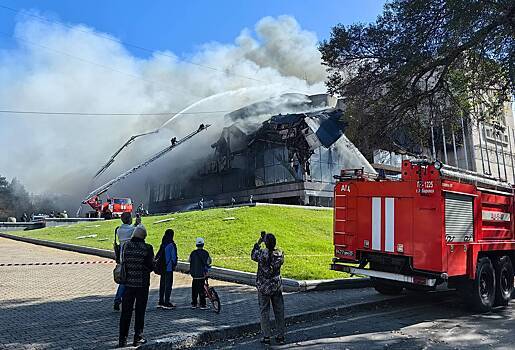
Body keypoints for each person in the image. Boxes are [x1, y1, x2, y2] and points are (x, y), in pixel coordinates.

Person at [118, 225, 154, 347]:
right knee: (140, 311)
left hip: (128, 284)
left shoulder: (126, 246)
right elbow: (150, 266)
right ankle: (137, 337)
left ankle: (122, 339)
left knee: (126, 312)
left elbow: (123, 261)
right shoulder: (147, 248)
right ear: (144, 236)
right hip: (142, 285)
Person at [251, 232, 285, 345]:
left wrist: (258, 242)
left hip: (263, 287)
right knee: (279, 311)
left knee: (264, 311)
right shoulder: (279, 254)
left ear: (265, 243)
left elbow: (253, 255)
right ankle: (280, 335)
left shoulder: (261, 254)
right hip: (276, 286)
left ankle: (266, 336)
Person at [114, 212, 141, 311]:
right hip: (129, 258)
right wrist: (138, 223)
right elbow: (138, 231)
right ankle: (125, 301)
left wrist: (135, 224)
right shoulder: (131, 230)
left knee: (123, 280)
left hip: (122, 257)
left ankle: (118, 299)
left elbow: (131, 229)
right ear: (129, 219)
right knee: (128, 282)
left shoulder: (119, 230)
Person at [188, 237, 211, 309]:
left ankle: (194, 304)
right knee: (201, 289)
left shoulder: (193, 253)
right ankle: (202, 304)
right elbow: (209, 262)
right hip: (202, 274)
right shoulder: (206, 253)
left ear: (196, 245)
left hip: (194, 275)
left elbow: (189, 260)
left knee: (194, 289)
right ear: (203, 244)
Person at [157, 229, 178, 309]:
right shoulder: (171, 244)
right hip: (168, 267)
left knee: (162, 284)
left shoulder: (163, 244)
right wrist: (174, 264)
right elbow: (173, 257)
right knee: (168, 285)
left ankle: (161, 301)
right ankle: (167, 302)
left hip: (162, 268)